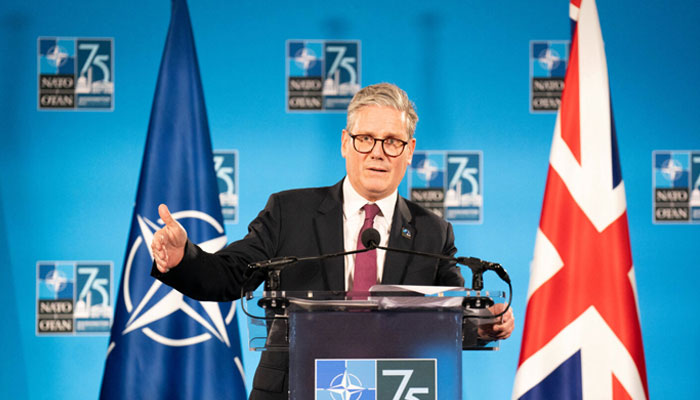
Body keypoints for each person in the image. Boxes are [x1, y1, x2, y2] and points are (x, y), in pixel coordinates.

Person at [151, 83, 514, 399]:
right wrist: (184, 258)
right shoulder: (289, 211)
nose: (377, 152)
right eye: (365, 138)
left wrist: (487, 322)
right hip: (296, 388)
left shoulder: (433, 231)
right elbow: (230, 275)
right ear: (345, 142)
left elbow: (454, 315)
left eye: (392, 142)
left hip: (395, 390)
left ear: (409, 151)